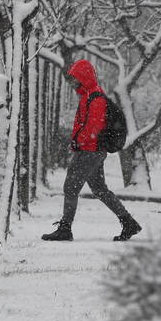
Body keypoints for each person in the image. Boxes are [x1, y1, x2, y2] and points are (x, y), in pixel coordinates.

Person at [41, 59, 142, 242]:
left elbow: (92, 128)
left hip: (90, 151)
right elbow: (83, 126)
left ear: (83, 78)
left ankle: (65, 229)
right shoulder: (88, 96)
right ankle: (128, 222)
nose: (71, 83)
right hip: (91, 150)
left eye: (74, 79)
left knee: (71, 187)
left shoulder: (96, 98)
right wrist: (76, 142)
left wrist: (78, 143)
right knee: (100, 189)